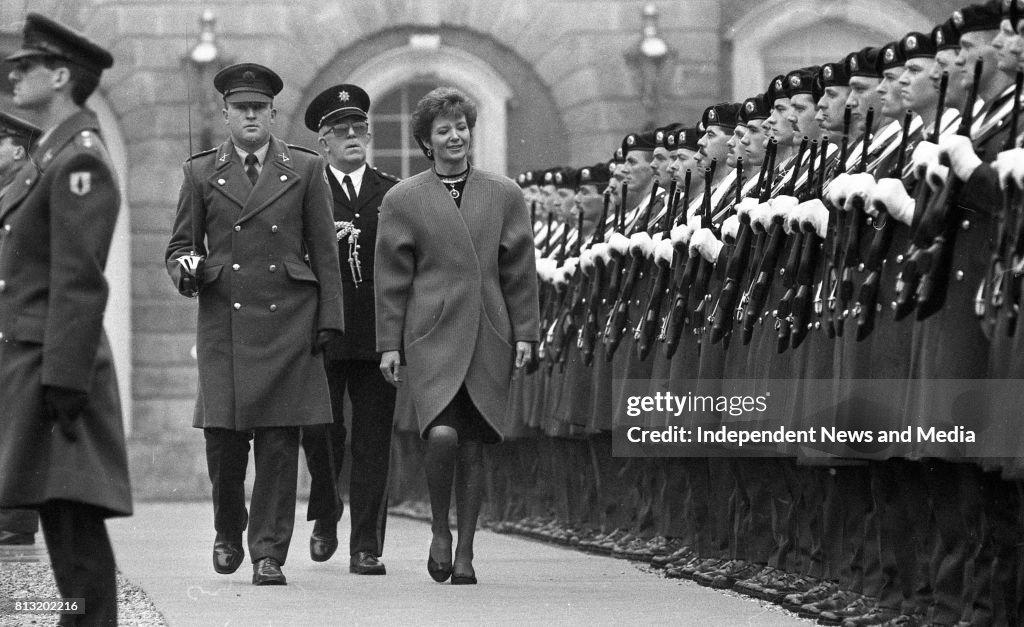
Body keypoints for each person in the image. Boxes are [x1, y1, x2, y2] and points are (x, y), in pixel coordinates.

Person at [165, 62, 344, 586]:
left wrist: (330, 319)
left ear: (272, 113)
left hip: (289, 319)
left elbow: (324, 252)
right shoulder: (199, 173)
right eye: (240, 108)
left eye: (258, 108)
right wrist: (187, 270)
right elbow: (180, 248)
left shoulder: (305, 170)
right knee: (223, 442)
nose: (250, 116)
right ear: (225, 114)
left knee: (278, 443)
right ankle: (227, 528)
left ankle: (268, 552)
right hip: (224, 320)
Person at [375, 87, 539, 585]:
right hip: (430, 332)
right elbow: (390, 278)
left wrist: (527, 332)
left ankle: (466, 549)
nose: (455, 137)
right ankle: (439, 529)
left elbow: (519, 270)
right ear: (426, 141)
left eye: (461, 127)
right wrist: (389, 342)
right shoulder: (403, 198)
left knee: (474, 443)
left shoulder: (504, 193)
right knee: (442, 436)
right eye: (443, 130)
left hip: (490, 328)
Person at [0, 13, 131, 625]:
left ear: (59, 76)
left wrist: (64, 381)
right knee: (64, 530)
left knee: (74, 535)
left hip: (59, 374)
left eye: (27, 65)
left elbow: (79, 280)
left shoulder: (79, 162)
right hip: (39, 365)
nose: (14, 73)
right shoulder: (49, 158)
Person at [300, 83, 399, 574]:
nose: (354, 137)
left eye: (361, 129)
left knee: (373, 441)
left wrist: (397, 338)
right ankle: (325, 511)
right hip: (324, 334)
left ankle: (366, 546)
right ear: (324, 142)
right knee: (321, 434)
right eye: (343, 131)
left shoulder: (392, 192)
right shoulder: (307, 190)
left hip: (378, 335)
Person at [0, 110, 41, 548]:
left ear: (17, 148)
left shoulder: (27, 193)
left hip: (17, 323)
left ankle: (15, 519)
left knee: (16, 422)